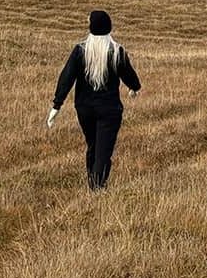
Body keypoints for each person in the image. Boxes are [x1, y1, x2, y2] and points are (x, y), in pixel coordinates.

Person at [47, 10, 141, 190]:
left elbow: (66, 77)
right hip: (110, 110)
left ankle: (93, 184)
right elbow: (128, 74)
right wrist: (134, 87)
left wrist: (57, 105)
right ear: (109, 28)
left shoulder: (81, 50)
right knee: (103, 151)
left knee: (92, 145)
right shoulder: (116, 51)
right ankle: (98, 187)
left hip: (84, 108)